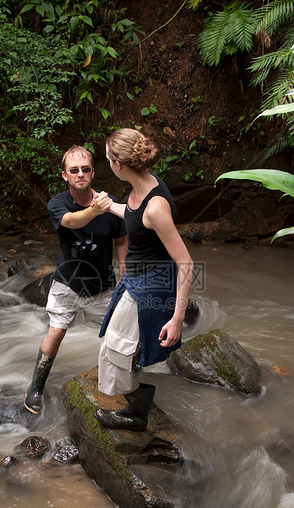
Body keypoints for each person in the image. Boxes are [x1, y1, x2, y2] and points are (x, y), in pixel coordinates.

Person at [94, 128, 194, 431]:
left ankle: (136, 413)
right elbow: (136, 218)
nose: (107, 164)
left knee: (114, 349)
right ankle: (137, 399)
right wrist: (110, 206)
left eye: (108, 159)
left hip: (152, 283)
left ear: (119, 165)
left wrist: (177, 319)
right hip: (136, 278)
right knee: (119, 345)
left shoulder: (156, 207)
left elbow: (186, 263)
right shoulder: (143, 186)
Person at [23, 145, 128, 415]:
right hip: (67, 282)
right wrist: (95, 210)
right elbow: (70, 222)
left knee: (118, 337)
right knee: (56, 332)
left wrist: (125, 277)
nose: (80, 174)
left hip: (103, 286)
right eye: (74, 171)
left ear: (93, 172)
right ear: (65, 176)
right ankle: (36, 385)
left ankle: (118, 386)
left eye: (85, 169)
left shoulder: (110, 202)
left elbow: (122, 239)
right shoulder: (58, 204)